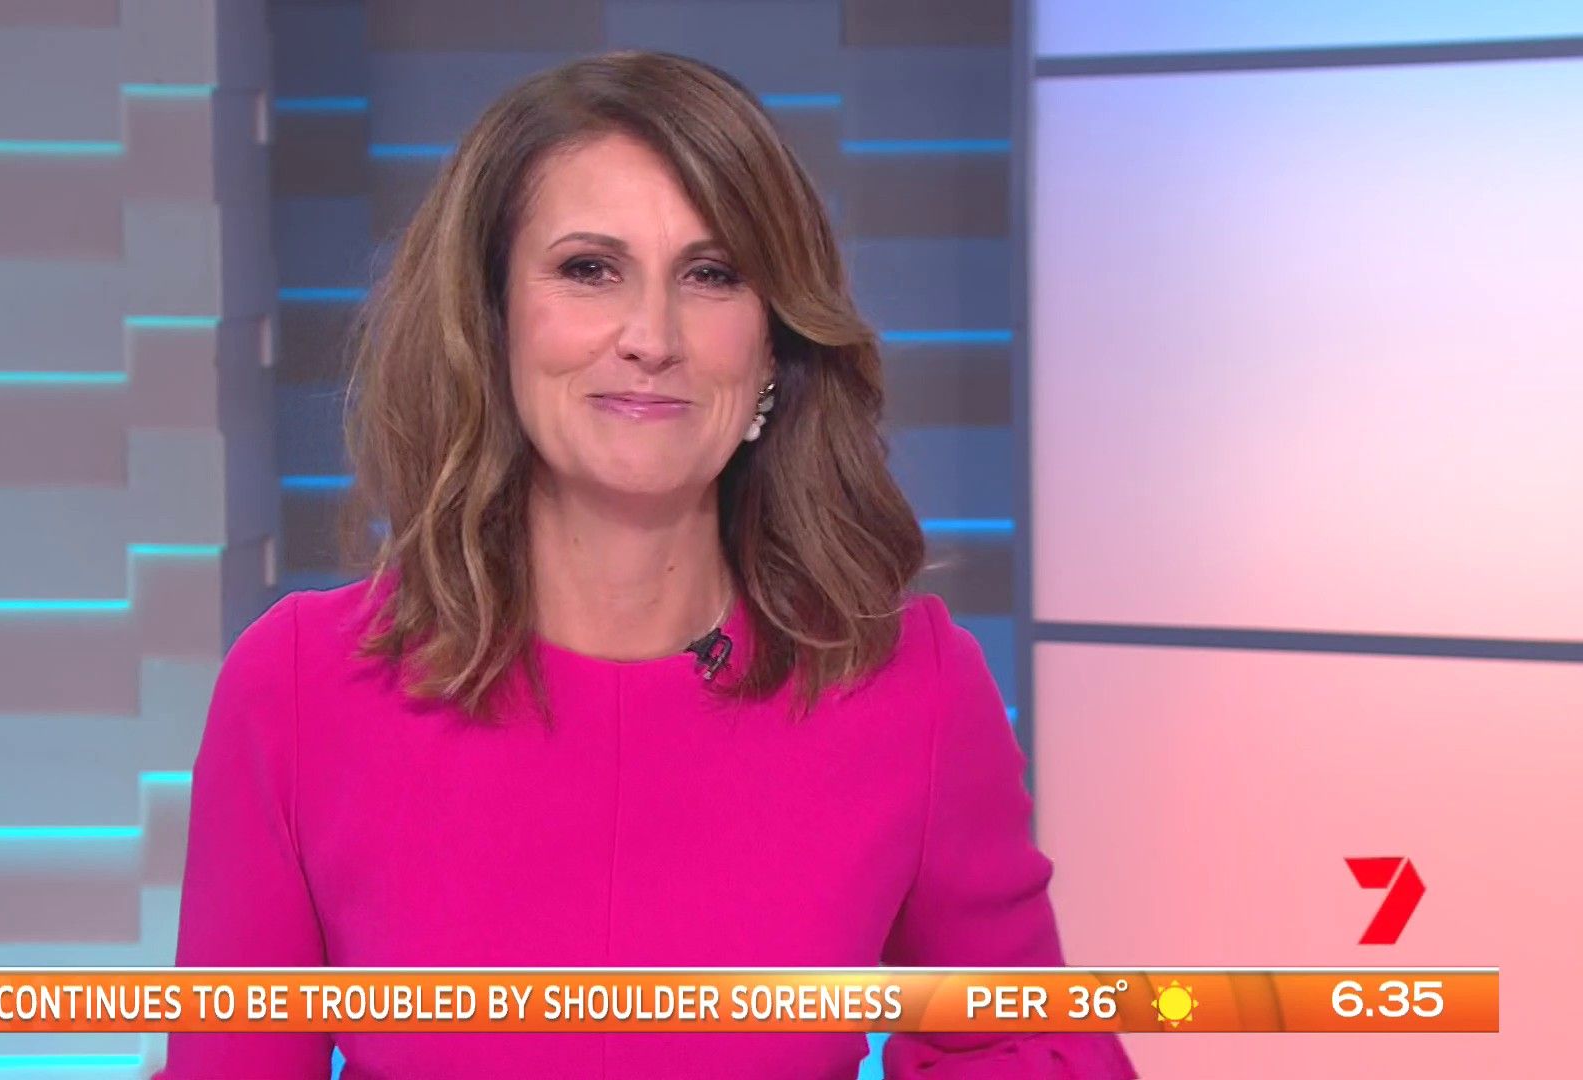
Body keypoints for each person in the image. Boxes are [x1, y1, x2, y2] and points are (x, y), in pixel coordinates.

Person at [159, 50, 1135, 1080]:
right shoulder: (300, 690)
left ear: (773, 344)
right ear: (491, 319)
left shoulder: (910, 689)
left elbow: (1029, 1046)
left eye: (712, 275)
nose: (651, 337)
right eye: (590, 269)